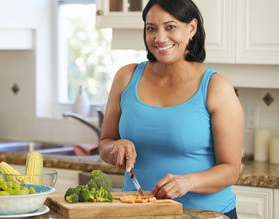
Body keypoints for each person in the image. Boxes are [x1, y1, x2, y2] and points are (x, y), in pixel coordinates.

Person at [99, 0, 243, 218]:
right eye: (151, 28)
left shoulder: (215, 87)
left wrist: (188, 181)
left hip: (204, 214)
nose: (159, 38)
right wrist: (115, 147)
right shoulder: (126, 77)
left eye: (170, 27)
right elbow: (104, 144)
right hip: (138, 211)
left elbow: (230, 170)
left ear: (191, 28)